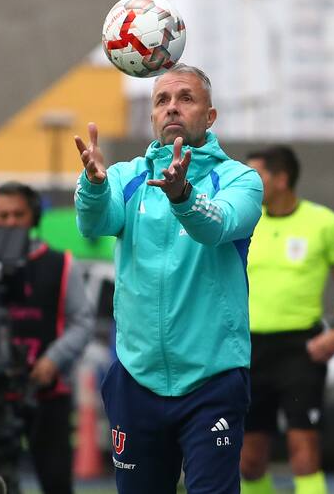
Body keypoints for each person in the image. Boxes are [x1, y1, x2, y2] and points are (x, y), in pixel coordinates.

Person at [74, 63, 263, 494]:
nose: (172, 107)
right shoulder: (126, 177)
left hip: (212, 378)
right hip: (136, 378)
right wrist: (95, 186)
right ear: (153, 116)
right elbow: (94, 223)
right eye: (162, 100)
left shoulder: (239, 178)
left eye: (186, 98)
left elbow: (218, 224)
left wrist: (182, 196)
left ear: (210, 116)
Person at [239, 146, 334, 494]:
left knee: (303, 453)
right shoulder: (242, 220)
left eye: (256, 175)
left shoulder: (325, 224)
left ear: (281, 179)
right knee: (249, 459)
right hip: (249, 350)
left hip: (300, 350)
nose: (249, 181)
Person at [0, 181, 94, 494]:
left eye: (17, 215)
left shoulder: (61, 264)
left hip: (49, 391)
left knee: (57, 482)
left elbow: (82, 321)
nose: (9, 223)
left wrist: (53, 360)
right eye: (2, 215)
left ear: (33, 218)